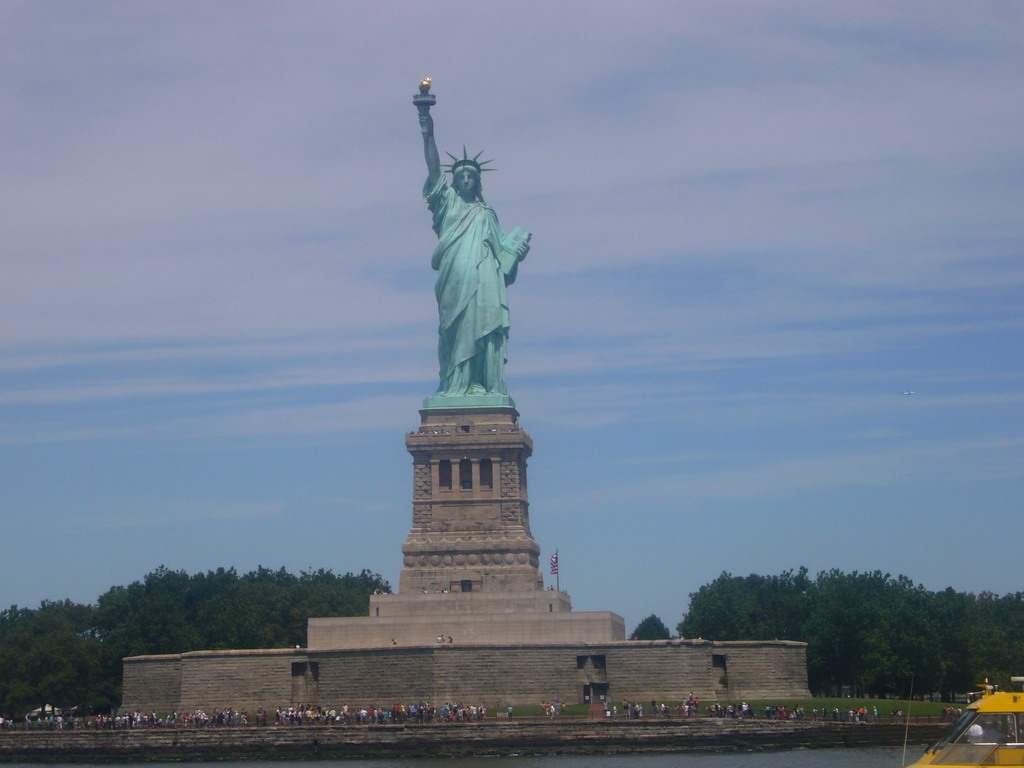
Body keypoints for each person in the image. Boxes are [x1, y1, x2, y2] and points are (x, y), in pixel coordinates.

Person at [418, 104, 531, 398]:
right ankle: (454, 384)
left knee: (484, 328)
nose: (466, 179)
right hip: (455, 277)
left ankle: (480, 382)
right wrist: (426, 128)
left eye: (472, 176)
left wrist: (516, 252)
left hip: (485, 279)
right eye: (461, 176)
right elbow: (432, 168)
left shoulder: (486, 213)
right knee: (454, 330)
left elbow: (502, 256)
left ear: (478, 182)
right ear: (453, 182)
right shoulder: (446, 205)